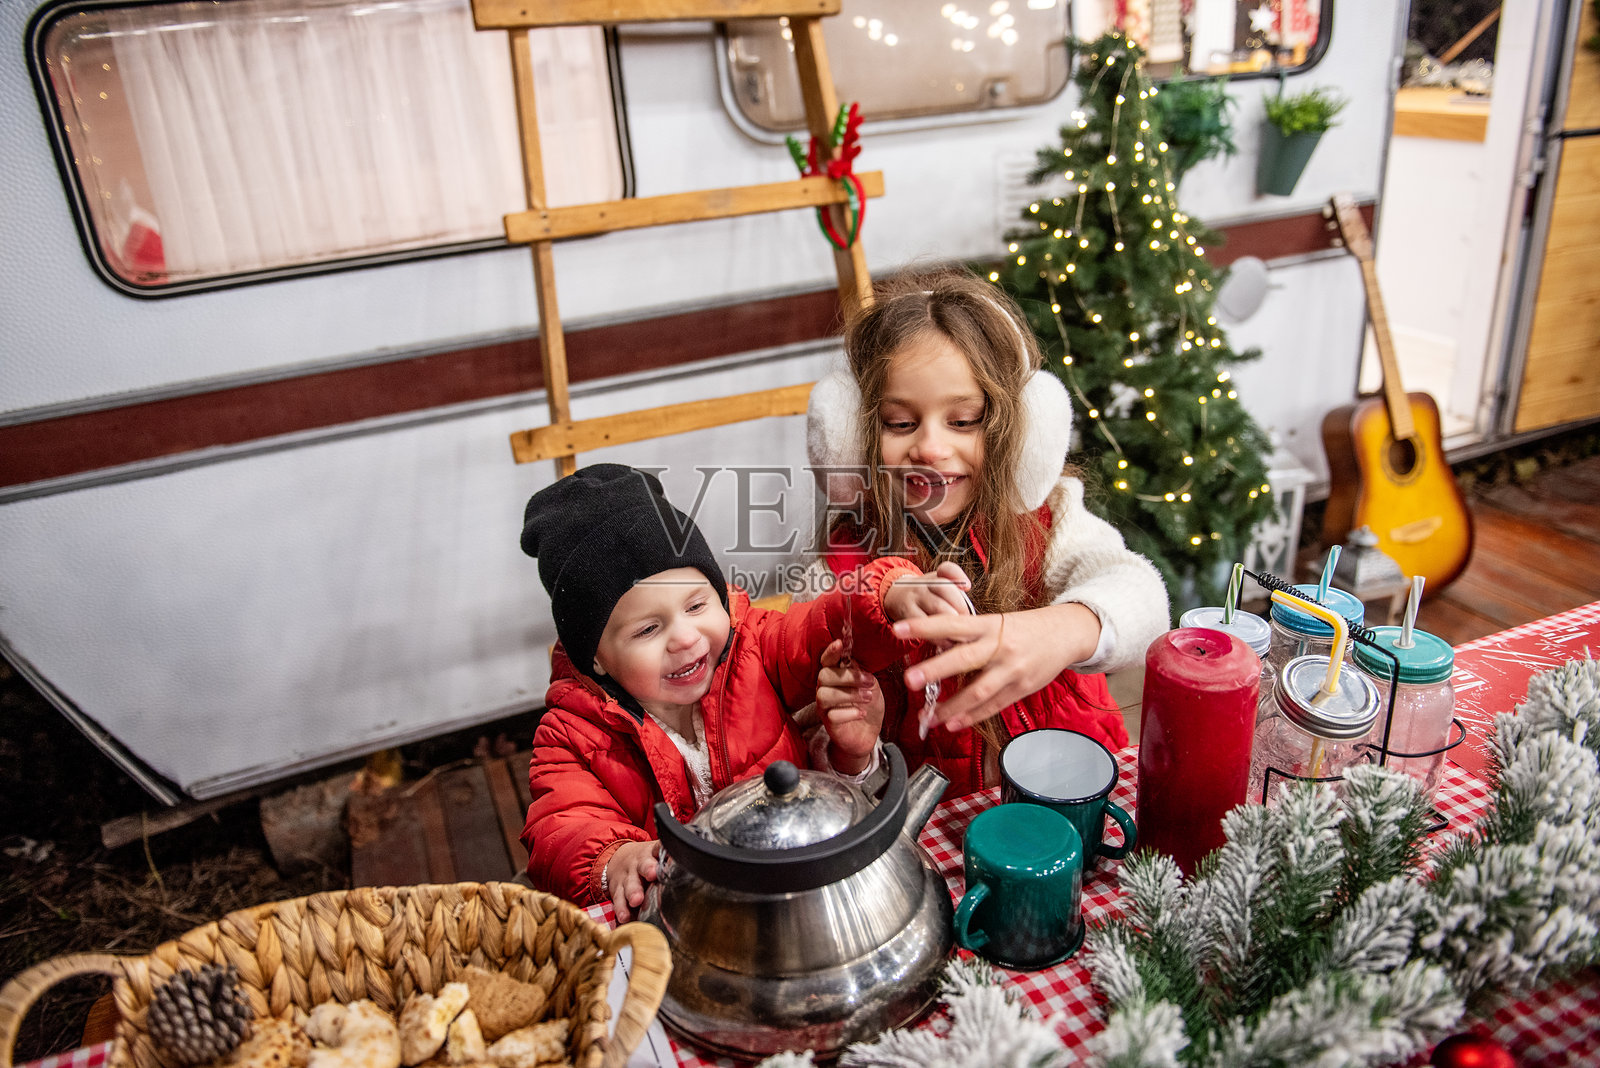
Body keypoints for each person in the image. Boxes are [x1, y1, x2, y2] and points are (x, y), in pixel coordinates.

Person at [517, 463, 963, 919]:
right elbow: (558, 827)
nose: (686, 638)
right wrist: (614, 861)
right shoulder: (571, 733)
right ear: (595, 657)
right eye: (648, 629)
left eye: (696, 604)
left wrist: (886, 594)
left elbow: (823, 624)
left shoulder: (753, 644)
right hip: (684, 921)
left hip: (792, 891)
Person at [801, 269, 1170, 796]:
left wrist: (1063, 628)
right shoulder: (840, 567)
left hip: (1074, 792)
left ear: (1016, 430)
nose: (930, 447)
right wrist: (852, 754)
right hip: (934, 823)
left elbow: (1142, 595)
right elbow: (812, 714)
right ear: (849, 437)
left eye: (965, 420)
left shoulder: (1048, 519)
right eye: (900, 423)